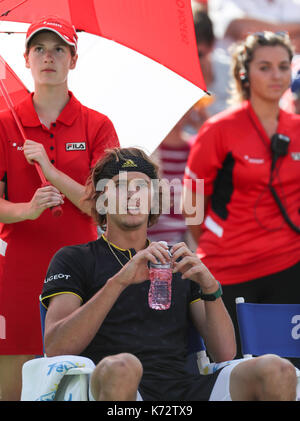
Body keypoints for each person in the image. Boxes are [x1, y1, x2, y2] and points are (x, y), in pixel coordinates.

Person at [38, 147, 297, 401]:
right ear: (101, 199)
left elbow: (224, 354)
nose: (132, 194)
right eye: (119, 185)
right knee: (124, 367)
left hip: (182, 386)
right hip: (113, 383)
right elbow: (57, 346)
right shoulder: (75, 258)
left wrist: (211, 288)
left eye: (141, 185)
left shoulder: (176, 260)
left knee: (278, 370)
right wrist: (119, 281)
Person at [0, 15, 119, 400]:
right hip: (17, 268)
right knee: (12, 386)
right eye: (39, 49)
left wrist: (49, 171)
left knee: (79, 381)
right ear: (26, 59)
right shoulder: (4, 124)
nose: (48, 57)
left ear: (74, 59)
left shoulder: (97, 125)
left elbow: (105, 204)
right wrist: (26, 210)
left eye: (58, 49)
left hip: (83, 269)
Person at [183, 31, 300, 359]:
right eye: (265, 67)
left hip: (289, 268)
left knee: (289, 376)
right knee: (235, 376)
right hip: (229, 270)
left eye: (283, 66)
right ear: (243, 73)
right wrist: (215, 240)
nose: (276, 75)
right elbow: (192, 203)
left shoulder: (298, 128)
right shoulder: (218, 130)